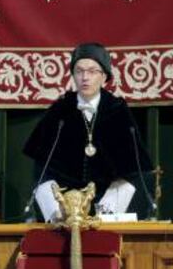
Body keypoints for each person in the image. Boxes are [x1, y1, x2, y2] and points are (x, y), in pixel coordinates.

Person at [23, 42, 155, 221]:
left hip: (108, 205)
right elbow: (42, 171)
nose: (85, 77)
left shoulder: (118, 111)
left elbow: (132, 170)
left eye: (92, 71)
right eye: (79, 71)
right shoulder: (59, 111)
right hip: (66, 206)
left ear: (104, 77)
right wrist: (60, 210)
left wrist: (105, 212)